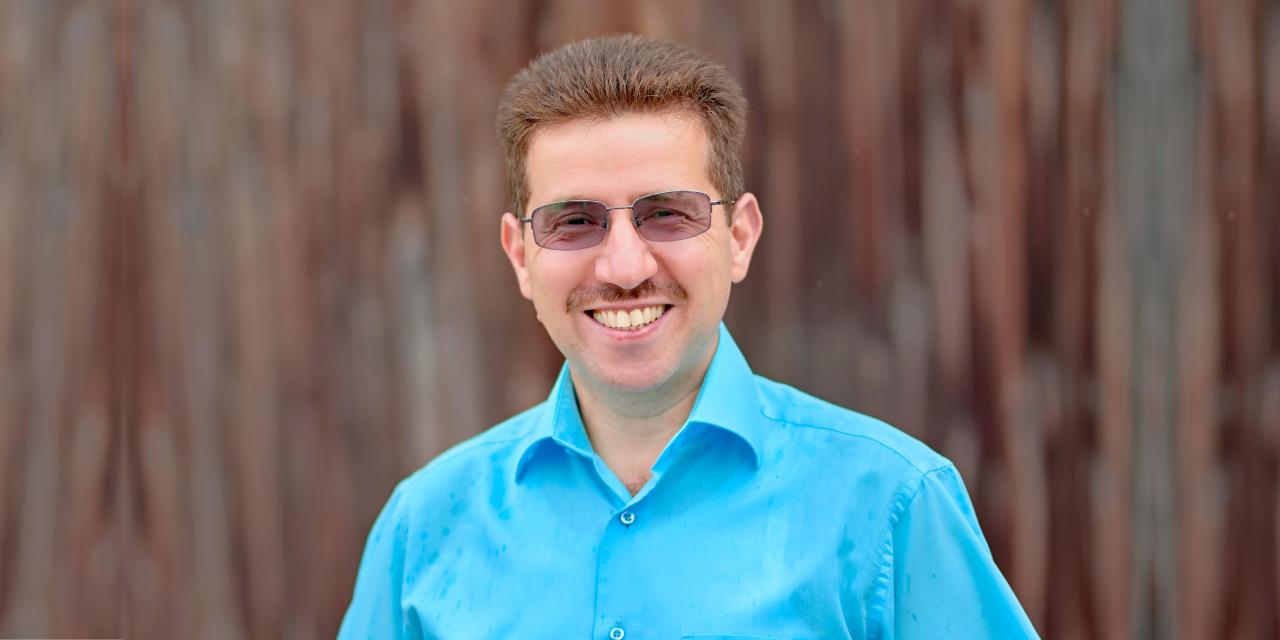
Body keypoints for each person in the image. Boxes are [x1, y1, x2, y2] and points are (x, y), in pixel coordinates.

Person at [339, 34, 1037, 639]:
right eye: (574, 221)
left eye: (667, 214)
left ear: (740, 236)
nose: (624, 268)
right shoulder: (422, 531)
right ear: (521, 255)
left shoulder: (891, 506)